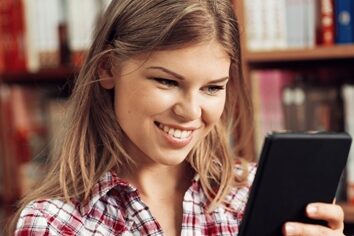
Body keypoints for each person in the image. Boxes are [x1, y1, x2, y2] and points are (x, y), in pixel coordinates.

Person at [8, 0, 345, 235]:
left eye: (212, 88)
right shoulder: (54, 224)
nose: (191, 111)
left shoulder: (255, 196)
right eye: (167, 82)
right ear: (108, 68)